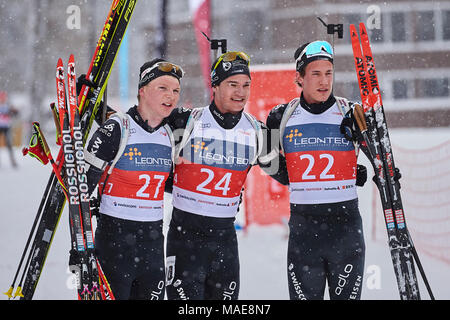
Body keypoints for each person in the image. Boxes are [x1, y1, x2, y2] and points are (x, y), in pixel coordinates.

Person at [164, 51, 275, 300]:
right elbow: (142, 126)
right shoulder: (185, 121)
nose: (241, 92)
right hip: (185, 238)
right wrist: (102, 113)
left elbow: (289, 173)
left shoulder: (259, 131)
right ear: (214, 86)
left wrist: (348, 168)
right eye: (232, 84)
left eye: (246, 85)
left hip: (224, 241)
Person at [264, 40, 368, 300]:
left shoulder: (351, 112)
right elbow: (266, 160)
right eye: (316, 74)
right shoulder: (281, 115)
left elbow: (380, 159)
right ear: (299, 77)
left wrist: (363, 170)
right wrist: (290, 175)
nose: (324, 82)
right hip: (305, 229)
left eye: (328, 73)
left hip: (346, 228)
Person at [83, 59, 184, 299]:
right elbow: (80, 187)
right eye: (163, 88)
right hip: (115, 241)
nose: (171, 96)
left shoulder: (172, 133)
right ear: (142, 90)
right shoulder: (118, 128)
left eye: (176, 90)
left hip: (152, 243)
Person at [0, 91, 18, 168]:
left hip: (7, 127)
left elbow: (15, 114)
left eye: (3, 98)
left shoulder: (8, 106)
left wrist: (14, 111)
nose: (2, 99)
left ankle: (13, 161)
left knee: (9, 144)